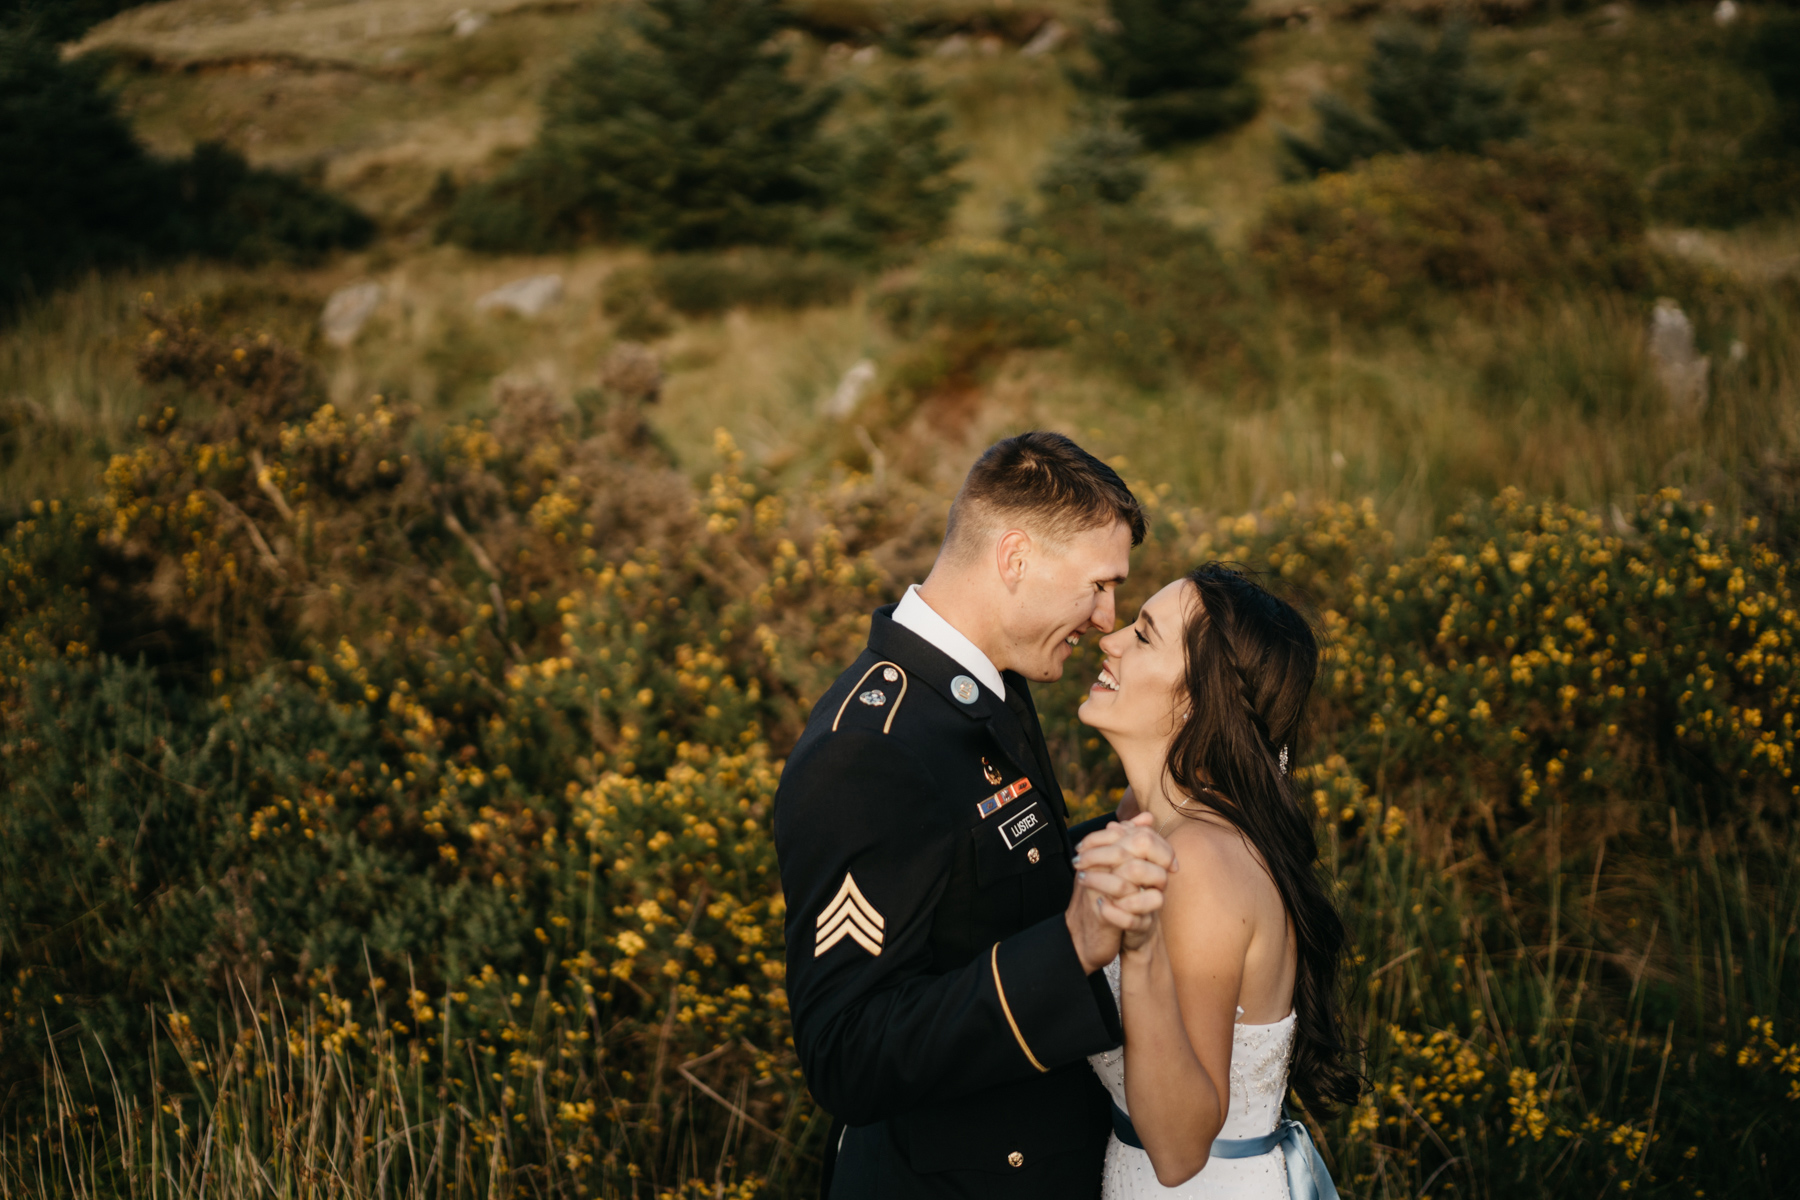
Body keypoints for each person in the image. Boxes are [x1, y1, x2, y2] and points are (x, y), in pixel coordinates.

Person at [775, 432, 1179, 1199]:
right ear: (1016, 558)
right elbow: (846, 1053)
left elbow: (995, 875)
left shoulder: (984, 686)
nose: (1105, 617)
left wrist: (1129, 833)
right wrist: (1072, 947)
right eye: (1098, 585)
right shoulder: (869, 750)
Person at [1071, 565, 1360, 1199]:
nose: (1109, 639)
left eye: (1144, 636)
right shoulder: (1146, 819)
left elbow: (1177, 1153)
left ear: (1199, 699)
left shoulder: (1197, 862)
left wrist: (1139, 951)